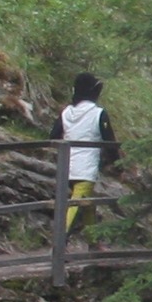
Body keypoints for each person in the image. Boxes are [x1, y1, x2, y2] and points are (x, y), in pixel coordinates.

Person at [59, 75, 106, 231]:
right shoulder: (98, 114)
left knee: (87, 204)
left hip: (67, 165)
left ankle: (93, 241)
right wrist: (117, 165)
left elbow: (53, 135)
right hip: (86, 168)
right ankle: (59, 238)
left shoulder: (66, 112)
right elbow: (110, 141)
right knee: (77, 203)